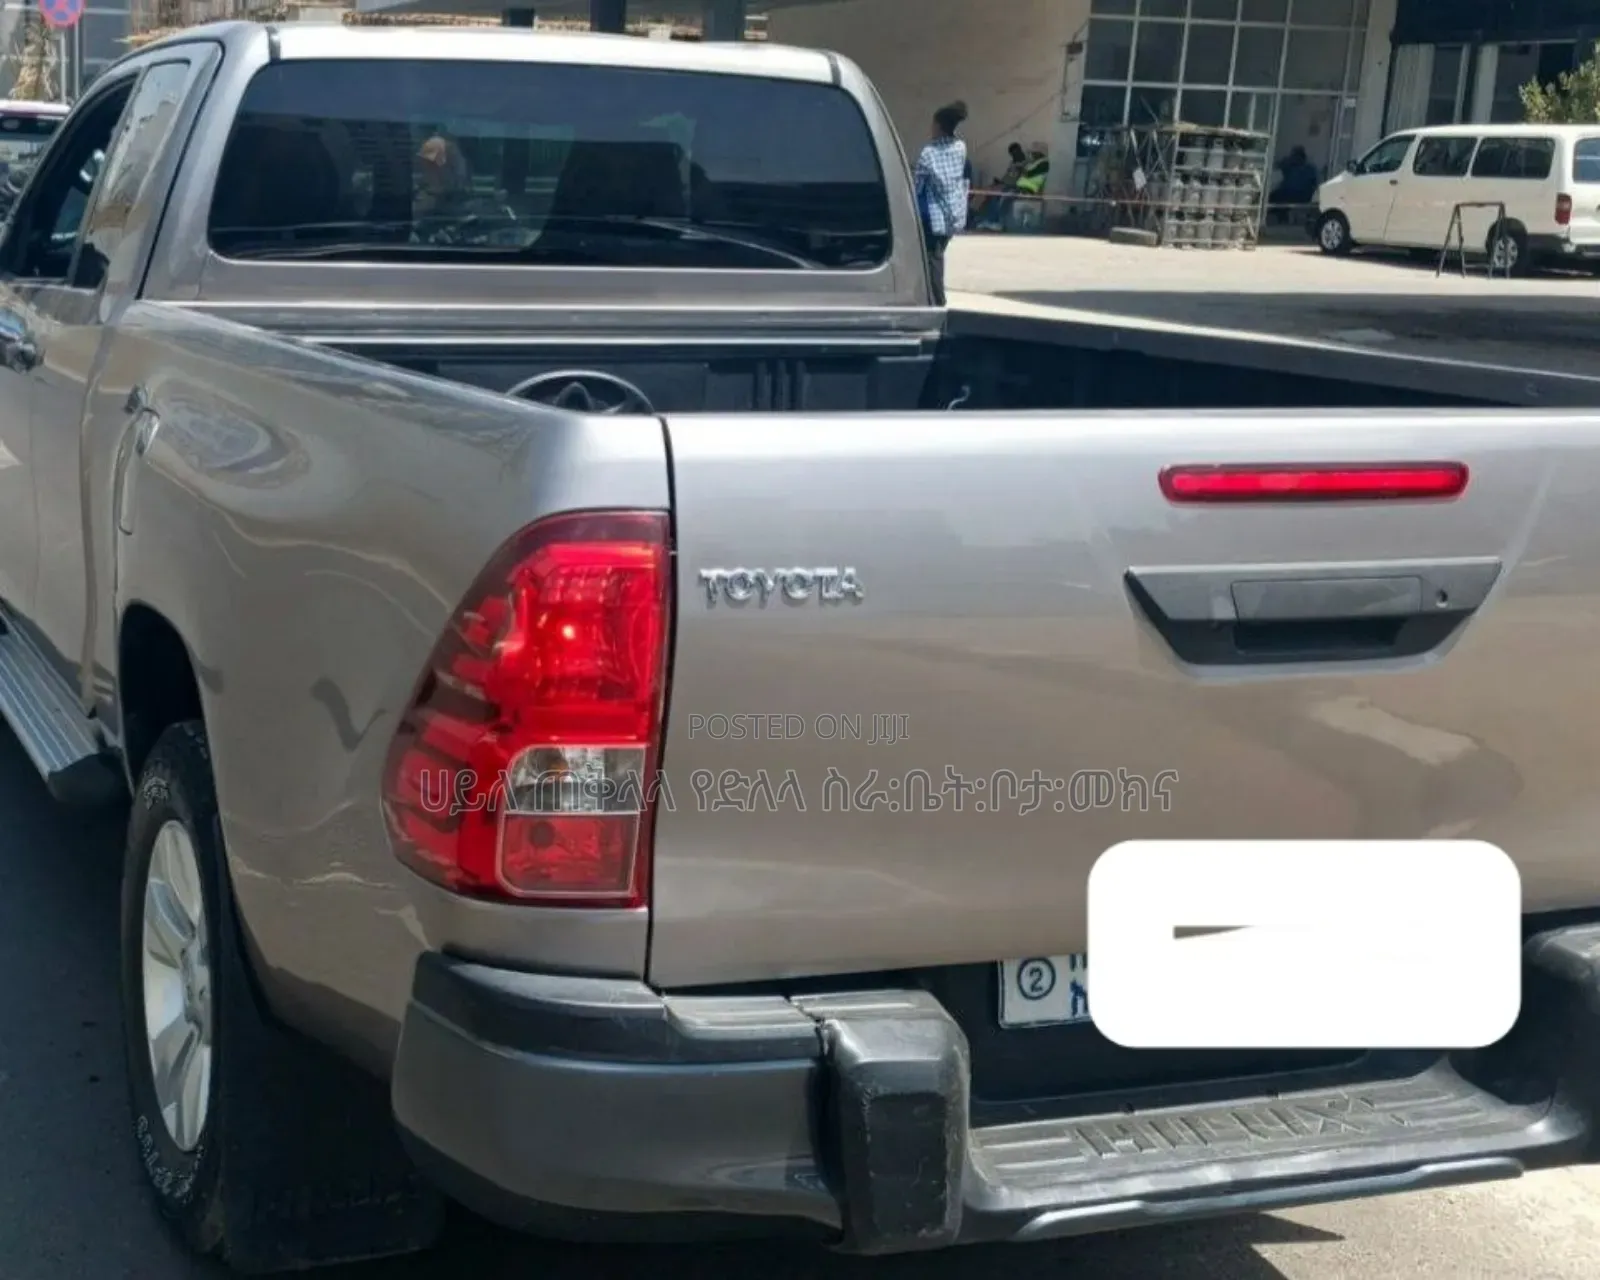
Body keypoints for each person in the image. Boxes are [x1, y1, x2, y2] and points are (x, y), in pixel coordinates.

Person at [914, 100, 970, 304]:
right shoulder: (960, 147)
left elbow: (918, 184)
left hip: (931, 215)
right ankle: (929, 296)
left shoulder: (928, 152)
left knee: (932, 258)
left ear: (938, 126)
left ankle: (937, 301)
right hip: (953, 213)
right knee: (936, 255)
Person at [1269, 144, 1319, 219]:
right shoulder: (1309, 167)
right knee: (1275, 197)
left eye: (1294, 155)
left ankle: (1281, 216)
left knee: (1273, 197)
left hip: (1294, 195)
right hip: (1300, 195)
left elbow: (1276, 165)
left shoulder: (1305, 168)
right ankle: (1281, 215)